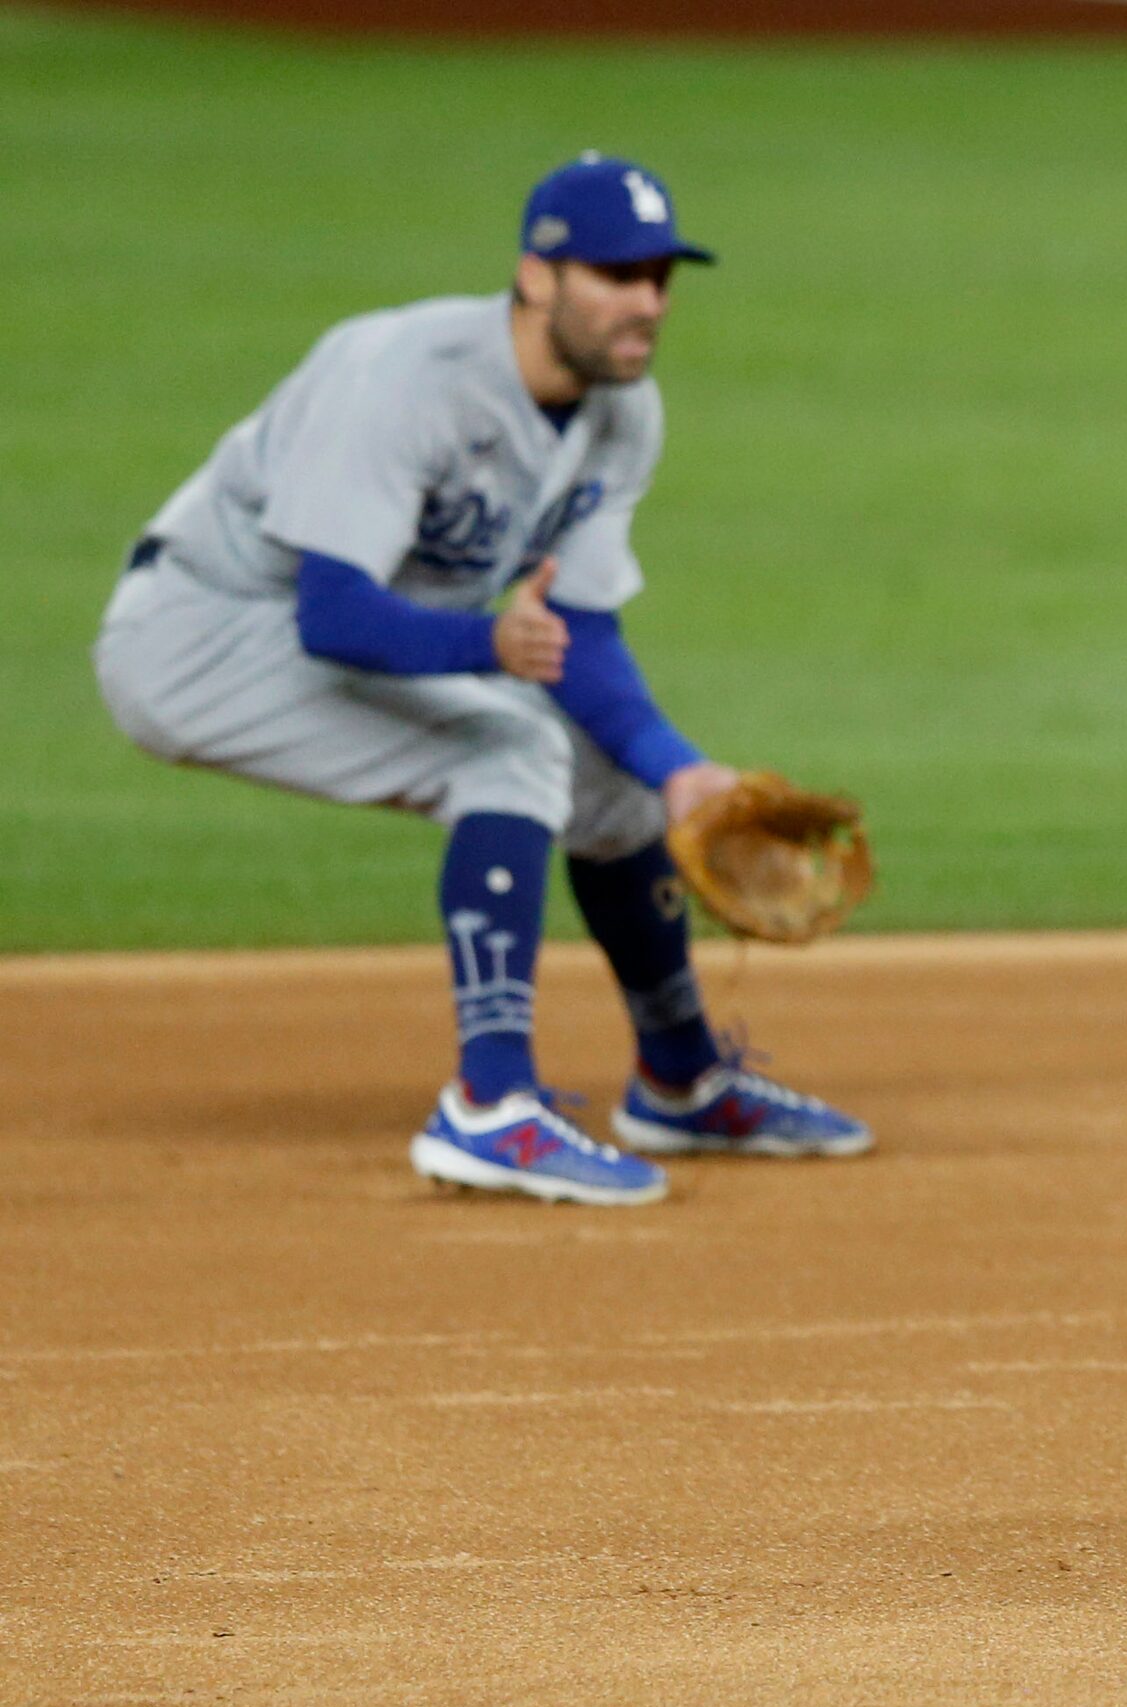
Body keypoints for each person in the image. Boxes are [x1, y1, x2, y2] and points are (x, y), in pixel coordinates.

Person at [95, 155, 871, 1206]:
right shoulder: (403, 373)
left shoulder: (621, 410)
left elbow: (580, 630)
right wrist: (489, 654)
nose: (648, 301)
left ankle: (680, 1079)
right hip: (197, 630)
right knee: (511, 744)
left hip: (361, 633)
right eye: (617, 273)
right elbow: (333, 614)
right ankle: (489, 1105)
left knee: (613, 787)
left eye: (660, 275)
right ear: (538, 276)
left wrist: (679, 771)